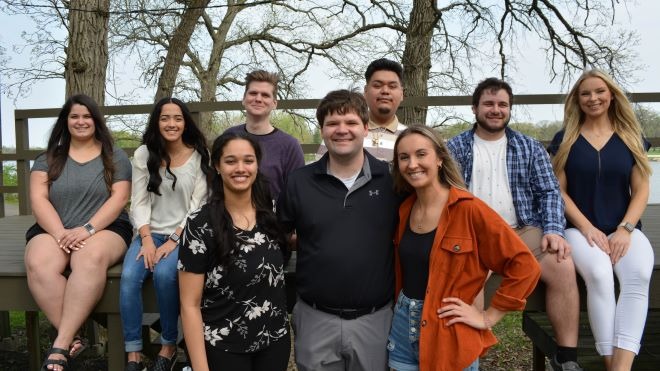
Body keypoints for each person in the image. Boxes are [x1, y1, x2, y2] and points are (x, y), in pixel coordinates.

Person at [447, 77, 583, 371]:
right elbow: (446, 195)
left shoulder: (529, 147)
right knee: (468, 281)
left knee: (562, 264)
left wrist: (553, 230)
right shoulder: (454, 148)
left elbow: (549, 191)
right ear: (475, 108)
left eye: (502, 105)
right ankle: (471, 359)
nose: (495, 110)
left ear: (509, 109)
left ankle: (566, 358)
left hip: (523, 229)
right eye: (489, 104)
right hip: (475, 235)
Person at [389, 125, 541, 371]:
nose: (412, 164)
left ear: (439, 158)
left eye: (421, 154)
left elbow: (525, 265)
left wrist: (488, 316)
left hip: (449, 329)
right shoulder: (405, 209)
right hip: (403, 325)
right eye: (404, 157)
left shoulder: (469, 209)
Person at [278, 89, 400, 371]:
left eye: (351, 122)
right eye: (333, 123)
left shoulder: (391, 180)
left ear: (366, 128)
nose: (342, 130)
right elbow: (279, 241)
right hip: (315, 318)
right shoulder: (298, 182)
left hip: (375, 319)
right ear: (322, 130)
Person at [548, 69, 654, 371]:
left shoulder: (631, 137)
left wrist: (625, 228)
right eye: (585, 94)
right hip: (580, 230)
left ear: (611, 95)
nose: (593, 98)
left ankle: (620, 367)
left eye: (599, 92)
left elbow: (642, 189)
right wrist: (587, 227)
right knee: (599, 275)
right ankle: (610, 363)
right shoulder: (564, 139)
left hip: (625, 229)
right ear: (577, 100)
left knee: (639, 277)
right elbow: (560, 192)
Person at [24, 94, 133, 371]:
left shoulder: (115, 156)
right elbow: (38, 199)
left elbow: (119, 199)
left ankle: (60, 344)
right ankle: (72, 336)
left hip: (105, 229)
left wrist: (87, 229)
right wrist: (61, 232)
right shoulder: (48, 158)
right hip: (55, 228)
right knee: (38, 263)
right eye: (74, 116)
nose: (81, 121)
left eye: (87, 116)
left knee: (87, 259)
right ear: (66, 121)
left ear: (96, 121)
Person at [178, 132, 291, 371]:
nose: (240, 168)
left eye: (248, 160)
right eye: (231, 161)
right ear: (217, 166)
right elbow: (189, 305)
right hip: (223, 346)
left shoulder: (271, 216)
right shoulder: (199, 225)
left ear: (257, 165)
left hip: (274, 340)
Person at [120, 98, 212, 371]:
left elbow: (199, 205)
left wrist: (173, 241)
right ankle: (133, 353)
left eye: (177, 118)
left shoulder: (199, 156)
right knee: (128, 278)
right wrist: (147, 239)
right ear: (156, 122)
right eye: (165, 118)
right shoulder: (143, 155)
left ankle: (168, 345)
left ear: (185, 122)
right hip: (149, 233)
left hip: (185, 234)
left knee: (164, 275)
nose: (171, 124)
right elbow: (138, 201)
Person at [224, 69, 305, 200]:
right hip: (228, 217)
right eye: (253, 93)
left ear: (274, 103)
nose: (258, 99)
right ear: (244, 99)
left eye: (265, 95)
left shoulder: (290, 146)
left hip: (274, 218)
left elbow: (297, 194)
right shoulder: (229, 137)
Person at [317, 58, 406, 161]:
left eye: (392, 86)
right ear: (365, 91)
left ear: (402, 94)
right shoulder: (339, 135)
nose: (385, 91)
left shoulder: (409, 137)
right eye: (377, 85)